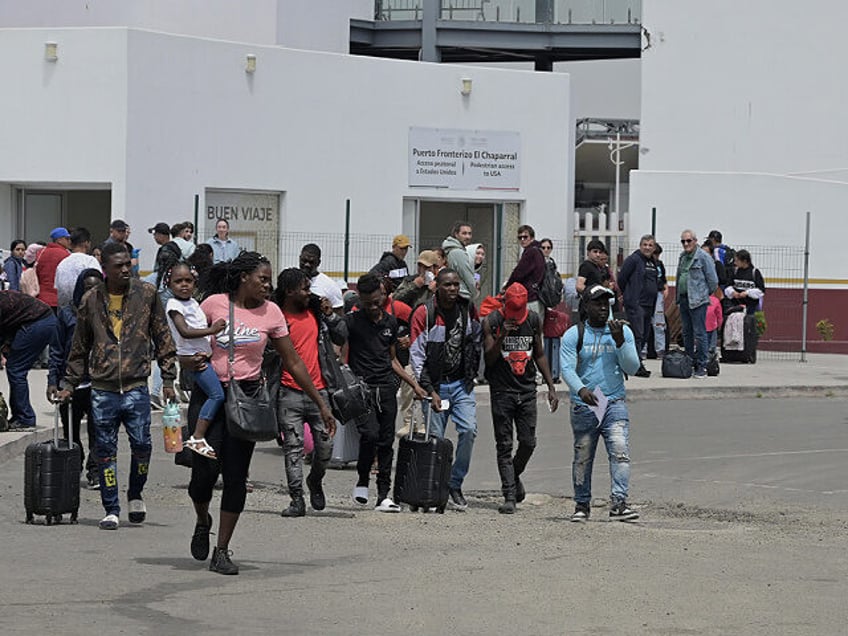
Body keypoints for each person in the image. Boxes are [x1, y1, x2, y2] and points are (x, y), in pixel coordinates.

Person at [181, 251, 334, 574]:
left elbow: (293, 360)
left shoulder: (272, 313)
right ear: (243, 279)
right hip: (210, 396)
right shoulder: (213, 304)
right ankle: (201, 519)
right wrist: (186, 364)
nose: (268, 285)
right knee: (202, 477)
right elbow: (185, 345)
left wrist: (321, 402)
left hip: (247, 399)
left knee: (236, 477)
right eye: (262, 279)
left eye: (269, 280)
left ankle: (221, 550)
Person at [56, 242, 176, 530]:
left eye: (128, 264)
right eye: (119, 265)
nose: (125, 269)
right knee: (105, 450)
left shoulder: (146, 295)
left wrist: (169, 378)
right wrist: (69, 383)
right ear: (105, 269)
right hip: (102, 389)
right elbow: (79, 347)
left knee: (142, 446)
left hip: (136, 386)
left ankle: (136, 493)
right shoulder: (91, 300)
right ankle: (111, 507)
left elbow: (163, 336)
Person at [337, 273, 427, 512]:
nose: (373, 307)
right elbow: (340, 351)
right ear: (360, 300)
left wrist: (414, 384)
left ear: (382, 296)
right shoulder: (352, 322)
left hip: (387, 388)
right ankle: (363, 481)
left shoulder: (390, 323)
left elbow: (393, 360)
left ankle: (384, 495)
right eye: (368, 303)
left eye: (377, 301)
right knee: (370, 435)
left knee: (386, 441)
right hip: (362, 390)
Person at [560, 284, 641, 522]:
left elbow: (632, 367)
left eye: (607, 303)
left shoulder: (622, 332)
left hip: (613, 400)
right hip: (584, 404)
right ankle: (582, 505)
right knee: (583, 457)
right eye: (597, 303)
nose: (603, 307)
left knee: (620, 451)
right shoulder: (575, 334)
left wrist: (619, 343)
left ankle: (619, 503)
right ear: (586, 306)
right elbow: (566, 367)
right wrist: (580, 389)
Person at [274, 268, 346, 517]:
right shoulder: (277, 318)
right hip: (288, 393)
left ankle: (315, 480)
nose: (309, 293)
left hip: (320, 391)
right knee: (292, 450)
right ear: (289, 291)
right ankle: (296, 500)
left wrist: (331, 316)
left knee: (325, 448)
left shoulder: (316, 313)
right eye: (305, 288)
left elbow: (342, 335)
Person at [409, 269, 482, 511]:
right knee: (436, 442)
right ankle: (436, 489)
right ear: (437, 286)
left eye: (455, 284)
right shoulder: (425, 313)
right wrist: (429, 389)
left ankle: (454, 483)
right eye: (447, 285)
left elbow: (476, 340)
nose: (452, 289)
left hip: (461, 384)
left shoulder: (467, 308)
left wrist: (473, 373)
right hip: (436, 386)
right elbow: (417, 355)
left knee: (469, 430)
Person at [483, 282, 558, 514]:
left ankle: (513, 477)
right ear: (504, 304)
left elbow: (539, 354)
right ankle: (509, 495)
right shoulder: (492, 321)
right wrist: (503, 333)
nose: (516, 317)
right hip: (502, 392)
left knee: (528, 442)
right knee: (504, 445)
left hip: (526, 392)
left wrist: (551, 386)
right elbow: (489, 359)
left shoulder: (533, 320)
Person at [164, 263, 227, 459]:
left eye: (188, 281)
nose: (184, 285)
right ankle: (197, 436)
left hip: (201, 357)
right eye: (178, 281)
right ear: (169, 284)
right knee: (217, 396)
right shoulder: (174, 305)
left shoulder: (193, 303)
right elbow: (185, 331)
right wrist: (212, 330)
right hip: (192, 359)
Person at [47, 268, 103, 488]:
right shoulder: (66, 314)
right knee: (70, 430)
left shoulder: (107, 313)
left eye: (97, 288)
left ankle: (95, 470)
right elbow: (56, 350)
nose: (92, 293)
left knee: (98, 430)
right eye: (88, 288)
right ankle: (74, 466)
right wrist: (52, 380)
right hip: (69, 383)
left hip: (98, 382)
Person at [0, 290, 57, 430]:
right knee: (15, 368)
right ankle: (20, 416)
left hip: (38, 323)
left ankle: (25, 418)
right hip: (41, 321)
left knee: (16, 369)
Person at [676, 229, 719, 378]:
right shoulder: (682, 257)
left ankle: (702, 365)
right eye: (683, 241)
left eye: (689, 241)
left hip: (698, 301)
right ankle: (688, 363)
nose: (686, 244)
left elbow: (713, 281)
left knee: (700, 334)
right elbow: (679, 276)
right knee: (687, 333)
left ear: (695, 241)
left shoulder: (703, 257)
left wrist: (702, 294)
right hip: (683, 299)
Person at [616, 234, 659, 378]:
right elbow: (621, 278)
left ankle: (637, 361)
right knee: (637, 335)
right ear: (640, 246)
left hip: (649, 304)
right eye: (645, 245)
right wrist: (628, 294)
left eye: (650, 245)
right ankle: (636, 365)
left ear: (654, 247)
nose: (647, 247)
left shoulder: (653, 262)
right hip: (636, 303)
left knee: (645, 334)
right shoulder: (633, 260)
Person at [54, 227, 101, 308]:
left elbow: (58, 289)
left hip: (66, 311)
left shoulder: (62, 263)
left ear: (71, 243)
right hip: (86, 310)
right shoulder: (90, 261)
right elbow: (99, 286)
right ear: (87, 243)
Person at [505, 225, 546, 318]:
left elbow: (519, 273)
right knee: (537, 329)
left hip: (530, 297)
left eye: (525, 237)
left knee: (527, 329)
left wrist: (507, 287)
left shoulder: (530, 252)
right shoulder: (538, 251)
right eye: (520, 237)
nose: (522, 240)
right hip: (537, 297)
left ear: (532, 238)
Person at [539, 238, 563, 382]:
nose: (546, 250)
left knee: (551, 338)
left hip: (550, 303)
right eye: (543, 247)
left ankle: (553, 372)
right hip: (539, 301)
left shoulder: (552, 264)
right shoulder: (538, 264)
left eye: (548, 247)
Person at [299, 243, 345, 314]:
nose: (307, 265)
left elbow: (339, 317)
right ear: (299, 258)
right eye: (304, 261)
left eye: (311, 262)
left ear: (318, 263)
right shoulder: (291, 281)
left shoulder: (330, 286)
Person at [36, 227, 72, 309]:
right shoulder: (65, 255)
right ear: (59, 240)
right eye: (67, 238)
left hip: (41, 298)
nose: (69, 241)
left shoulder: (41, 252)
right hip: (58, 299)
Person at [441, 221, 477, 301]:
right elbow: (467, 276)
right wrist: (475, 293)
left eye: (469, 233)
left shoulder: (451, 249)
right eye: (464, 233)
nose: (467, 237)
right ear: (456, 234)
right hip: (462, 295)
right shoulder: (458, 252)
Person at [724, 249, 765, 315]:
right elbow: (728, 285)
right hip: (736, 306)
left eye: (737, 261)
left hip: (751, 307)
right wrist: (733, 292)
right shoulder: (735, 271)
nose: (735, 263)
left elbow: (761, 290)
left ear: (744, 261)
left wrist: (747, 293)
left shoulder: (755, 272)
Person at [147, 222, 183, 292]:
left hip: (164, 287)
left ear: (161, 235)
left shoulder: (165, 250)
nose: (154, 237)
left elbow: (160, 271)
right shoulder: (174, 246)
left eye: (155, 235)